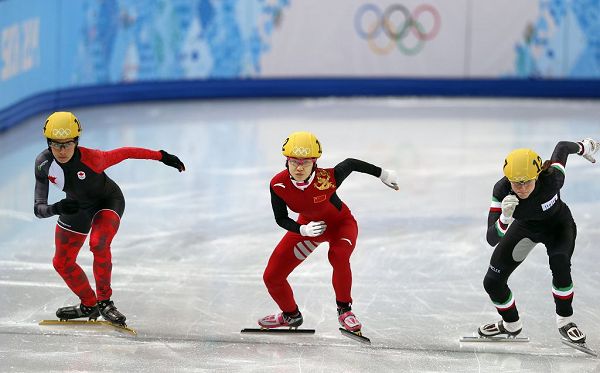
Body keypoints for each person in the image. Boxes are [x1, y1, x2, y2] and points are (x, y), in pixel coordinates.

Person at [34, 112, 185, 325]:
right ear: (48, 143)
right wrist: (56, 207)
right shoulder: (43, 164)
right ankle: (89, 304)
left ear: (76, 141)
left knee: (99, 243)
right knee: (61, 262)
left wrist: (161, 156)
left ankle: (105, 302)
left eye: (67, 144)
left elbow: (126, 152)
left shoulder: (93, 158)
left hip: (108, 202)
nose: (61, 150)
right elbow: (38, 208)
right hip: (76, 206)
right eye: (55, 144)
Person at [258, 131, 398, 334]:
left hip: (341, 224)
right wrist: (302, 229)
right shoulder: (278, 184)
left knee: (338, 256)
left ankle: (345, 311)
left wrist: (383, 174)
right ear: (286, 160)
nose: (299, 167)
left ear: (315, 163)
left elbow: (350, 163)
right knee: (272, 276)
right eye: (294, 161)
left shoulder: (328, 178)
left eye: (305, 162)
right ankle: (291, 314)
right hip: (309, 229)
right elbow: (280, 218)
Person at [478, 138, 599, 344]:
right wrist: (504, 219)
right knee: (492, 282)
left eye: (527, 181)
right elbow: (491, 238)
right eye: (516, 183)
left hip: (557, 226)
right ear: (508, 180)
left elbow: (562, 147)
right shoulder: (501, 190)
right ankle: (511, 325)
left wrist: (585, 147)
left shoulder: (553, 178)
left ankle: (565, 321)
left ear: (537, 175)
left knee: (560, 262)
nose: (522, 188)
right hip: (525, 228)